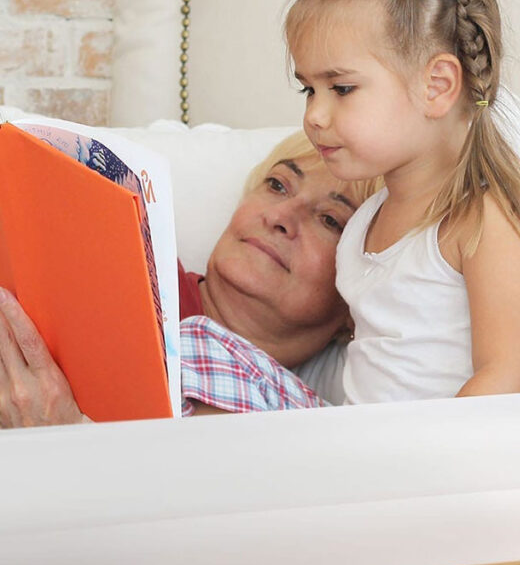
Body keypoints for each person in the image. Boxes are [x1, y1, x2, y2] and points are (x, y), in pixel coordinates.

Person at [286, 0, 520, 404]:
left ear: (437, 86)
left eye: (341, 88)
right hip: (372, 455)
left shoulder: (487, 222)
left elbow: (507, 375)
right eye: (308, 90)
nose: (315, 116)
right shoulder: (368, 220)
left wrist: (425, 465)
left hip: (455, 463)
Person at [0, 131, 379, 425]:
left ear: (357, 300)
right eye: (277, 185)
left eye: (330, 219)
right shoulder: (122, 266)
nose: (281, 215)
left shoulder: (304, 418)